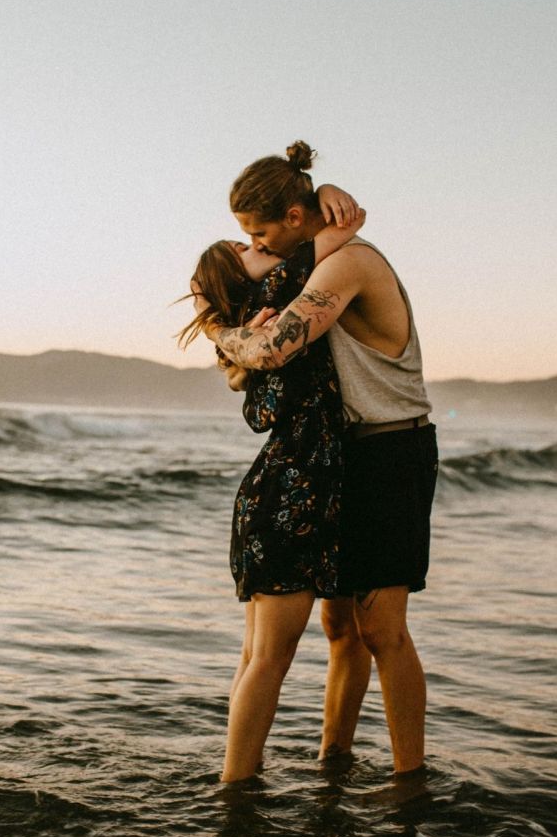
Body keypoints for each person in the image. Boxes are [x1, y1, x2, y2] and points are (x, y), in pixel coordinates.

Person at [202, 141, 437, 778]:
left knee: (381, 629)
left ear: (296, 218)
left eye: (261, 231)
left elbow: (275, 345)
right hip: (338, 453)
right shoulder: (312, 255)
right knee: (338, 627)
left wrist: (216, 329)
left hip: (390, 448)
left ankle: (408, 779)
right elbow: (250, 289)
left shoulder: (349, 263)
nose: (257, 244)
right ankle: (334, 759)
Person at [178, 184, 364, 783]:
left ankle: (239, 783)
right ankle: (235, 789)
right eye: (245, 249)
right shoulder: (280, 296)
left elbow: (257, 410)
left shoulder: (266, 322)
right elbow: (337, 232)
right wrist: (319, 193)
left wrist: (317, 184)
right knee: (268, 661)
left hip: (278, 489)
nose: (252, 244)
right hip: (291, 494)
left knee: (258, 658)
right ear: (247, 280)